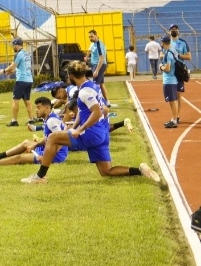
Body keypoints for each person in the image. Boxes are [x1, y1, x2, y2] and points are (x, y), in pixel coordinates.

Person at [20, 61, 159, 184]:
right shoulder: (92, 86)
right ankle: (140, 170)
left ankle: (40, 176)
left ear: (72, 76)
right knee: (106, 171)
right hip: (101, 134)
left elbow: (98, 111)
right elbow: (102, 109)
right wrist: (77, 126)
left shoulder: (83, 92)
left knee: (52, 137)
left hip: (91, 134)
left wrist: (81, 129)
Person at [0, 96, 68, 167]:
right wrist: (36, 144)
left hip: (55, 156)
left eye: (39, 107)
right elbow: (49, 138)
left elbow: (60, 139)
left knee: (20, 158)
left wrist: (46, 157)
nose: (36, 110)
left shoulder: (51, 121)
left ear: (47, 108)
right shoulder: (48, 118)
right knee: (26, 142)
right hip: (49, 149)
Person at [0, 37, 34, 126]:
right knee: (27, 100)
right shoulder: (27, 54)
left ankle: (14, 121)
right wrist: (9, 71)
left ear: (16, 45)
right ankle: (31, 119)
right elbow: (22, 68)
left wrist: (4, 71)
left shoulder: (19, 54)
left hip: (21, 80)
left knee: (15, 100)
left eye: (13, 45)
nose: (12, 47)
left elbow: (13, 65)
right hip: (29, 80)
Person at [169, 24, 192, 124]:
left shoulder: (183, 43)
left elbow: (189, 57)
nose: (174, 31)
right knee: (171, 95)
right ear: (169, 31)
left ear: (178, 31)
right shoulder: (166, 42)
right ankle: (173, 115)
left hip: (179, 70)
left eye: (176, 29)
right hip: (169, 71)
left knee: (178, 94)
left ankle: (177, 116)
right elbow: (161, 54)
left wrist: (178, 55)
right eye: (172, 29)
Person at [84, 29, 109, 103]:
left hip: (99, 65)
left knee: (96, 85)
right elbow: (90, 50)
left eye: (91, 36)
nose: (90, 38)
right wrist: (86, 57)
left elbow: (101, 58)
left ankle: (99, 102)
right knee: (101, 84)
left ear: (96, 35)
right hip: (95, 64)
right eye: (89, 37)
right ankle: (107, 101)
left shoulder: (99, 45)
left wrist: (97, 70)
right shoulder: (93, 44)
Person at [160, 36, 180, 128]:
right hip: (173, 79)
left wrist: (161, 67)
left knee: (172, 101)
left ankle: (174, 120)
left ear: (164, 43)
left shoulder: (168, 53)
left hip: (169, 80)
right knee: (173, 100)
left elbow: (168, 68)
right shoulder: (173, 51)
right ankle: (173, 119)